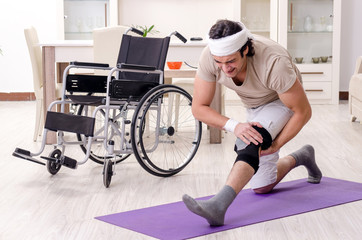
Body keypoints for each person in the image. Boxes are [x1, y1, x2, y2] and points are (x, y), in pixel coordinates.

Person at [182, 19, 322, 226]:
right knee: (262, 187)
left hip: (280, 100)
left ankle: (218, 206)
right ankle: (302, 156)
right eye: (218, 62)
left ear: (245, 49)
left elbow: (303, 111)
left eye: (230, 61)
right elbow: (199, 107)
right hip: (254, 107)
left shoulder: (274, 62)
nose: (224, 68)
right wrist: (235, 126)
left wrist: (276, 144)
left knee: (251, 141)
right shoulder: (210, 57)